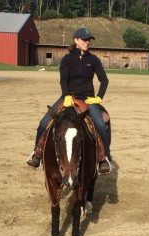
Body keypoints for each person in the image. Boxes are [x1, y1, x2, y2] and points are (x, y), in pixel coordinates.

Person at [27, 27, 112, 173]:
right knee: (43, 123)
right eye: (84, 40)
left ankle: (103, 158)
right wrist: (66, 95)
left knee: (99, 124)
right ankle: (37, 154)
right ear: (76, 40)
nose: (88, 42)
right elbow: (63, 80)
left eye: (89, 40)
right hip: (67, 97)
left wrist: (98, 98)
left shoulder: (94, 60)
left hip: (87, 99)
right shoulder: (67, 59)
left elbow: (104, 80)